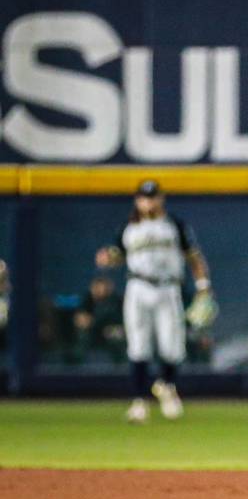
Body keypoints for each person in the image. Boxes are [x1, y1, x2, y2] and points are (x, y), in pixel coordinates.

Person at [96, 180, 214, 423]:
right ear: (137, 200)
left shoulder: (175, 226)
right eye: (143, 197)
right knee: (138, 346)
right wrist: (107, 258)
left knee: (173, 347)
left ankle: (166, 385)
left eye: (152, 196)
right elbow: (116, 256)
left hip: (169, 287)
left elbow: (194, 256)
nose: (148, 201)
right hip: (138, 286)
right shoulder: (128, 229)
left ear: (161, 198)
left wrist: (203, 287)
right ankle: (139, 402)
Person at [71, 275, 124, 363]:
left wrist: (114, 328)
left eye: (103, 287)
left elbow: (122, 322)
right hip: (93, 331)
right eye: (96, 287)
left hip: (111, 331)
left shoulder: (116, 300)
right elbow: (79, 318)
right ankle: (75, 363)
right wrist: (84, 320)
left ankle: (120, 365)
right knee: (82, 333)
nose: (99, 290)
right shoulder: (87, 299)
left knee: (117, 335)